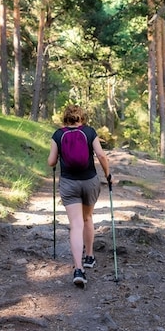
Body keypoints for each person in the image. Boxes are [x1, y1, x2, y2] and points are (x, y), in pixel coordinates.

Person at [47, 104, 111, 286]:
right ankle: (89, 256)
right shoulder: (89, 132)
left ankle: (78, 269)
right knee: (87, 218)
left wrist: (57, 156)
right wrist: (108, 175)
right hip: (89, 181)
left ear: (64, 118)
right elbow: (101, 155)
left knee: (75, 225)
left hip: (69, 184)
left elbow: (51, 162)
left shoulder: (58, 135)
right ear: (81, 118)